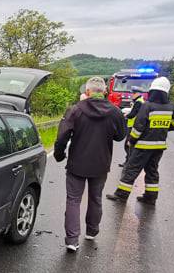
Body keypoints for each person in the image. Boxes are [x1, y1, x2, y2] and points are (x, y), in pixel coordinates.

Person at [54, 76, 127, 252]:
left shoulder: (76, 109)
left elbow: (63, 135)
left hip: (77, 164)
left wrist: (58, 154)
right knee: (96, 198)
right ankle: (92, 231)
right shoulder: (115, 111)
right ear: (105, 92)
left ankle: (72, 240)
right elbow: (120, 136)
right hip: (101, 164)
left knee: (73, 200)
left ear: (87, 92)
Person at [106, 76, 174, 205]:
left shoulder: (148, 106)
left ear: (152, 90)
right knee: (152, 171)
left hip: (143, 146)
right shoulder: (170, 107)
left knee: (131, 169)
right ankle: (150, 197)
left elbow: (139, 126)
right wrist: (168, 127)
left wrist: (131, 140)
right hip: (159, 147)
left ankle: (121, 195)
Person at [119, 90, 144, 167]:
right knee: (130, 145)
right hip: (133, 125)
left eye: (133, 93)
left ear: (138, 93)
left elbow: (133, 114)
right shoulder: (139, 101)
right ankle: (129, 162)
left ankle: (129, 163)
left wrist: (125, 116)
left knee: (128, 145)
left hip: (133, 126)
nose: (132, 95)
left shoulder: (139, 102)